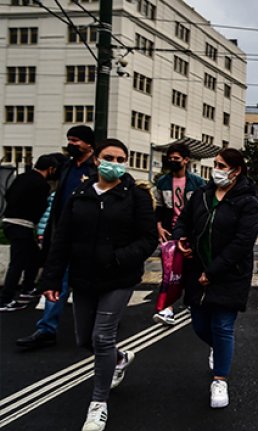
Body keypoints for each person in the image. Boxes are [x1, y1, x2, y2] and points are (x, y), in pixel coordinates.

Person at [39, 139, 157, 431]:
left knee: (102, 337)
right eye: (109, 157)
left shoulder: (135, 196)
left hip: (119, 277)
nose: (114, 163)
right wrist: (52, 278)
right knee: (86, 341)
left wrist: (118, 258)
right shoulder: (80, 194)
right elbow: (62, 239)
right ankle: (119, 358)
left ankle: (98, 404)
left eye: (120, 159)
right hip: (83, 278)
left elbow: (147, 239)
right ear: (96, 160)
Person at [173, 148, 258, 409]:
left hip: (229, 274)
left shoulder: (247, 202)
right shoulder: (202, 195)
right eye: (216, 164)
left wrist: (213, 272)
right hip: (196, 270)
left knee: (222, 326)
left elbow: (243, 242)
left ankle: (220, 378)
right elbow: (183, 222)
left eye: (222, 165)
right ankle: (221, 350)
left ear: (237, 170)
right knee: (200, 325)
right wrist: (181, 238)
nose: (217, 170)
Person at [17, 125, 98, 349]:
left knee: (91, 284)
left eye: (76, 140)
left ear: (89, 144)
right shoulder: (66, 168)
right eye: (69, 140)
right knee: (56, 282)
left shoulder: (97, 169)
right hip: (63, 236)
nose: (71, 144)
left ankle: (102, 324)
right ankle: (46, 329)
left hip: (88, 238)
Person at [151, 142, 205, 325]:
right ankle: (168, 308)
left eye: (177, 158)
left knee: (191, 269)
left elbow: (201, 209)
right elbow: (159, 207)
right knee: (170, 271)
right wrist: (158, 226)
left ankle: (192, 301)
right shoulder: (162, 182)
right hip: (170, 232)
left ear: (186, 160)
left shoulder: (197, 183)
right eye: (170, 158)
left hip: (191, 232)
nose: (173, 161)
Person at [0, 155, 60, 311]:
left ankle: (28, 288)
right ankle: (5, 299)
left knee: (33, 257)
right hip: (23, 225)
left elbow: (7, 194)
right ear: (51, 169)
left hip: (9, 222)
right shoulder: (42, 185)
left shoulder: (22, 177)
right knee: (18, 263)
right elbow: (41, 207)